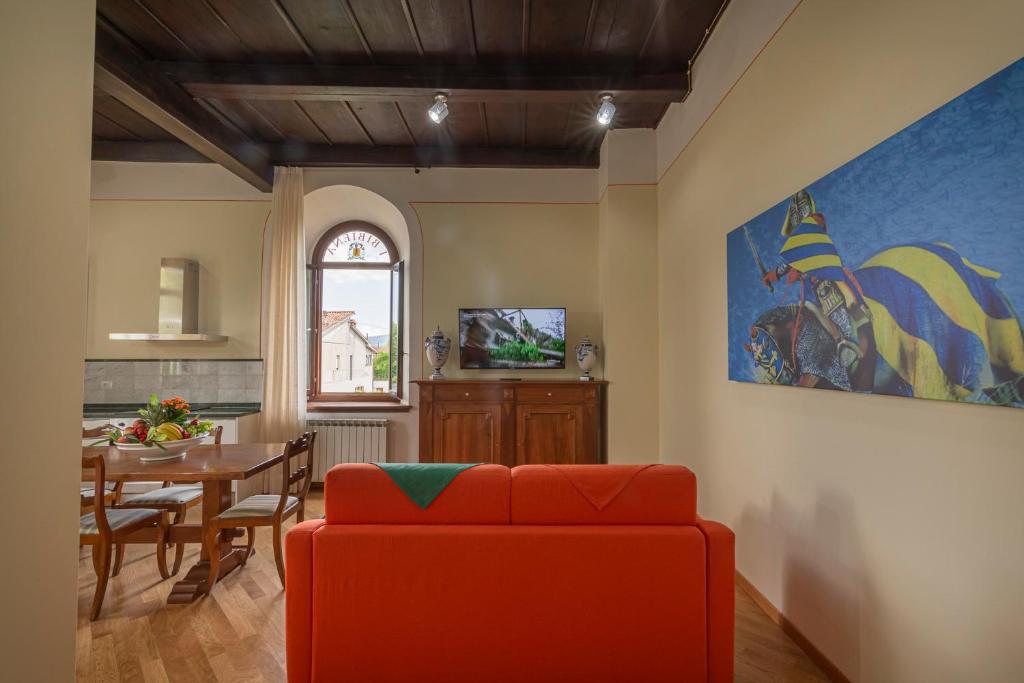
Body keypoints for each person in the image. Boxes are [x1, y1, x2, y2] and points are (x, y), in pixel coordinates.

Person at [762, 190, 875, 390]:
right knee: (810, 308)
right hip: (812, 284)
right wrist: (778, 273)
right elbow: (796, 258)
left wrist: (786, 271)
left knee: (830, 303)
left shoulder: (812, 229)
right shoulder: (806, 236)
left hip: (824, 279)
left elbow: (802, 255)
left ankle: (847, 341)